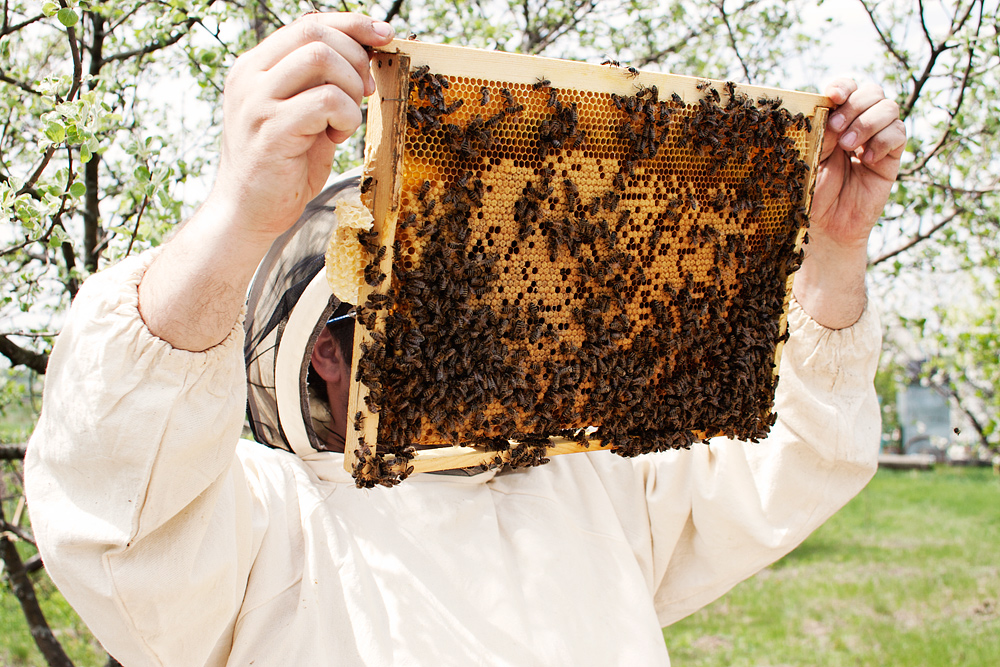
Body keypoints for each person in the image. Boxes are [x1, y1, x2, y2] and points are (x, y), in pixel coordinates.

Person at [24, 12, 906, 666]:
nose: (480, 314)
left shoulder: (593, 485)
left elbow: (801, 453)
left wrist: (831, 257)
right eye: (428, 293)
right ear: (322, 351)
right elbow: (121, 516)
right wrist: (234, 215)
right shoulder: (267, 523)